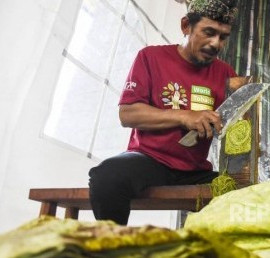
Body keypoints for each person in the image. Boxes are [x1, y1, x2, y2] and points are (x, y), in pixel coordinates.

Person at [88, 0, 241, 225]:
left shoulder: (227, 74)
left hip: (195, 171)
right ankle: (113, 251)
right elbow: (128, 114)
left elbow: (234, 126)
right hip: (150, 161)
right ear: (186, 26)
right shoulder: (150, 57)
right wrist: (183, 116)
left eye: (223, 37)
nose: (215, 43)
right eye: (209, 32)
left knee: (245, 192)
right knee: (107, 176)